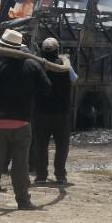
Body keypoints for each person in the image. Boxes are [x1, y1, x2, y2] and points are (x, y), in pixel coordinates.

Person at [0, 28, 51, 210]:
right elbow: (47, 89)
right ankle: (23, 201)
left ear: (3, 46)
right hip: (22, 123)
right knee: (21, 165)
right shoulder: (31, 65)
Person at [32, 36, 77, 185]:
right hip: (61, 113)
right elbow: (74, 78)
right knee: (62, 146)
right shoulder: (65, 66)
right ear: (58, 50)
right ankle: (60, 176)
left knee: (41, 146)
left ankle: (41, 176)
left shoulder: (37, 65)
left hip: (41, 112)